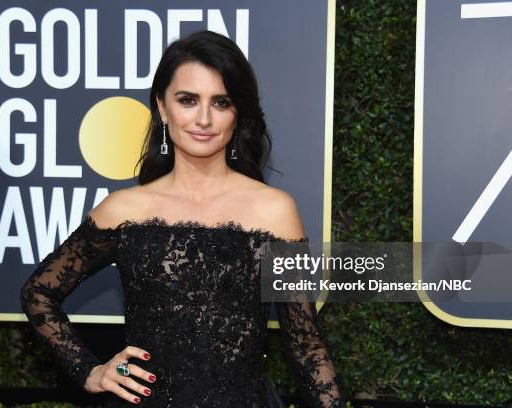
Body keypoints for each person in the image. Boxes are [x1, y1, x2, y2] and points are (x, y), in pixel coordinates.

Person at [19, 30, 343, 407]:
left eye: (221, 102)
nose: (203, 119)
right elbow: (38, 293)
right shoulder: (124, 210)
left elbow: (306, 345)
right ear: (162, 106)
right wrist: (90, 370)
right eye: (188, 100)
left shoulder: (274, 211)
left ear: (237, 112)